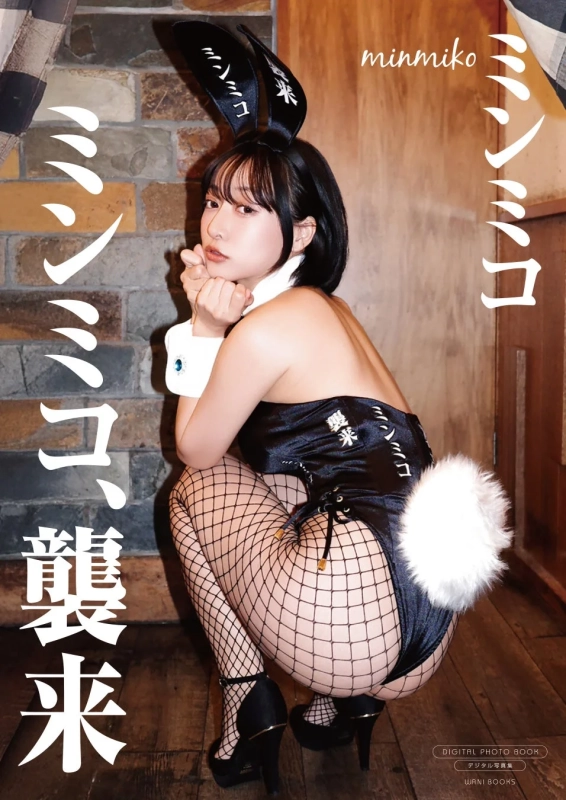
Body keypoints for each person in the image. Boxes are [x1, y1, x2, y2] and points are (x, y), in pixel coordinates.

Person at [165, 21, 512, 796]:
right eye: (214, 200)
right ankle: (338, 705)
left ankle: (247, 705)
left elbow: (195, 448)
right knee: (277, 482)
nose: (216, 224)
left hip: (347, 616)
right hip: (427, 631)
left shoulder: (269, 328)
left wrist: (204, 328)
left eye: (248, 210)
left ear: (302, 232)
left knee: (194, 490)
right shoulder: (329, 310)